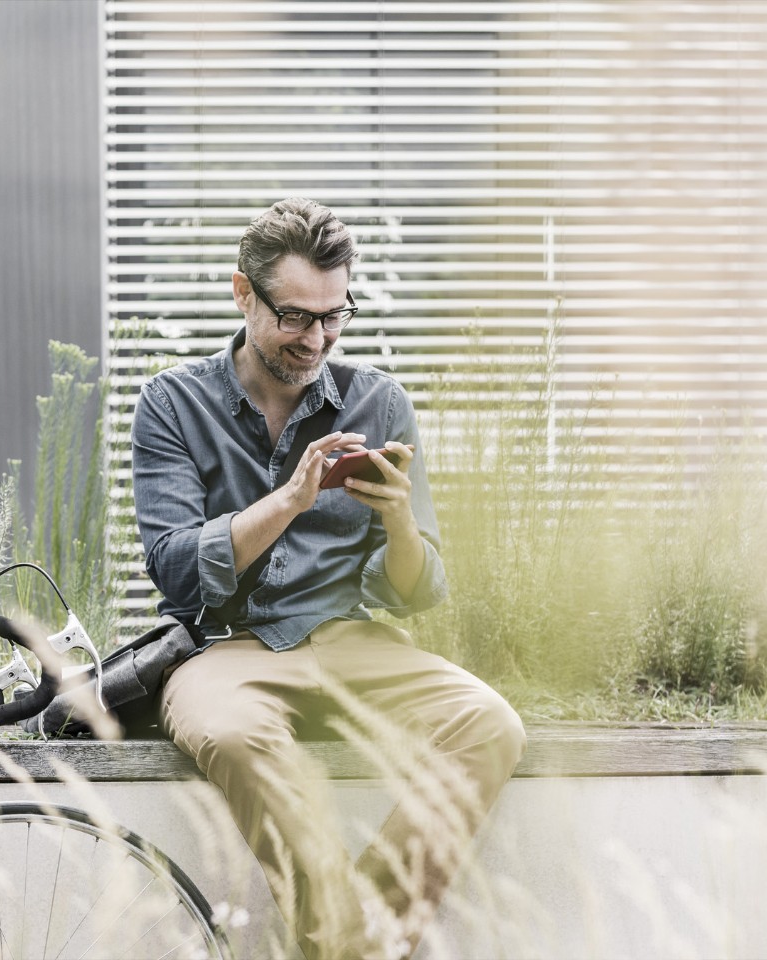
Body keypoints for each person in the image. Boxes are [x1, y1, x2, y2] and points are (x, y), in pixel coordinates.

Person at [131, 198, 525, 959]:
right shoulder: (171, 404)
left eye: (334, 317)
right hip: (226, 650)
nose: (316, 339)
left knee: (489, 724)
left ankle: (352, 942)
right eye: (295, 318)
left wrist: (401, 522)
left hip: (350, 639)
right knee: (230, 733)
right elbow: (178, 570)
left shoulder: (381, 402)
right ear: (242, 294)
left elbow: (418, 591)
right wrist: (290, 500)